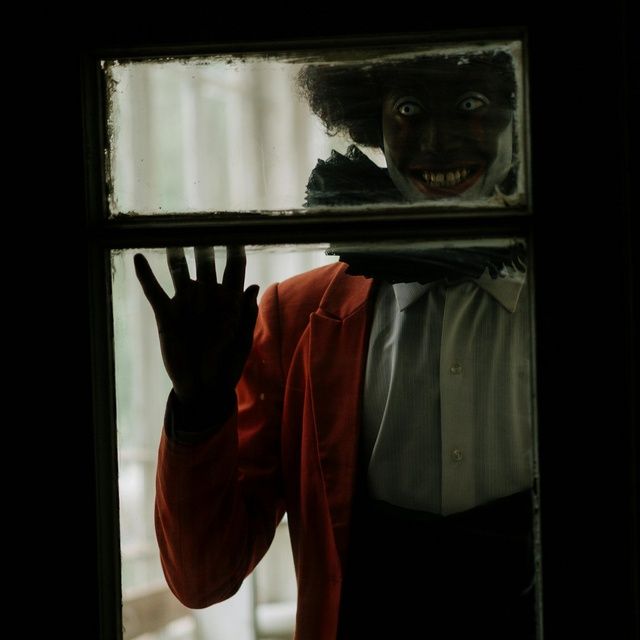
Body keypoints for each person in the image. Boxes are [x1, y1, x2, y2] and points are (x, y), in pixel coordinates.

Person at [135, 47, 536, 640]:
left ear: (520, 115)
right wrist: (198, 410)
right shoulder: (296, 318)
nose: (436, 140)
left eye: (471, 104)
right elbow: (203, 578)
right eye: (409, 109)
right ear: (374, 123)